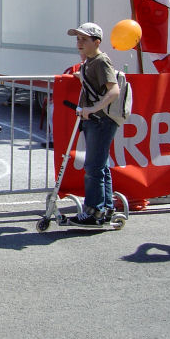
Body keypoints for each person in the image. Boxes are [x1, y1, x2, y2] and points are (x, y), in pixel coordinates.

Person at [65, 22, 120, 226]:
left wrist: (93, 108)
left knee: (94, 167)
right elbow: (92, 85)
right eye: (78, 39)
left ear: (96, 42)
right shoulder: (89, 61)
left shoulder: (101, 61)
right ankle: (105, 207)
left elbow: (114, 91)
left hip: (101, 120)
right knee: (101, 165)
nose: (79, 43)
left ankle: (93, 210)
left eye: (84, 39)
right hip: (93, 120)